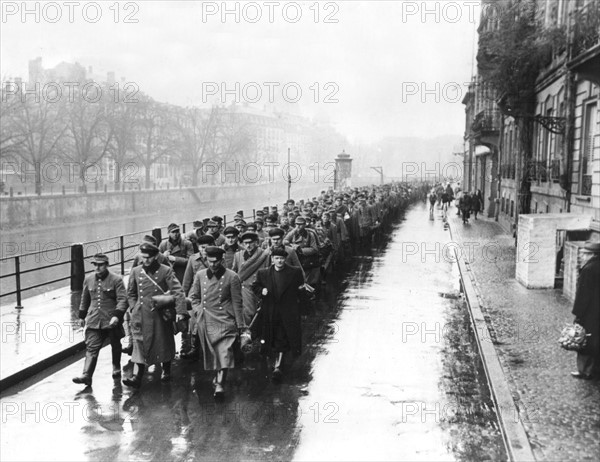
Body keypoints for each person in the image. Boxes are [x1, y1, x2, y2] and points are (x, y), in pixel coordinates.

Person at [123, 242, 187, 388]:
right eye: (143, 257)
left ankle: (166, 368)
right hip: (141, 315)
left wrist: (181, 311)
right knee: (139, 343)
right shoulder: (136, 271)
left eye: (148, 258)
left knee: (164, 341)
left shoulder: (166, 271)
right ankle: (136, 377)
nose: (145, 261)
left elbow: (178, 291)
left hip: (160, 313)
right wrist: (134, 307)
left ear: (156, 256)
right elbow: (131, 293)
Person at [189, 246, 246, 398]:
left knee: (224, 351)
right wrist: (198, 310)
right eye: (209, 261)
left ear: (221, 260)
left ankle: (220, 383)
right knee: (212, 353)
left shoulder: (232, 276)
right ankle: (218, 377)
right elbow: (194, 297)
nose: (213, 265)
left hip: (225, 319)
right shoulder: (200, 275)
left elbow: (237, 302)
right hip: (206, 318)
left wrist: (240, 325)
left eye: (216, 262)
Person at [252, 247, 306, 382]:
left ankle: (278, 366)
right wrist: (261, 290)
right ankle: (274, 360)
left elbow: (301, 290)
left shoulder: (294, 272)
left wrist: (304, 309)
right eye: (277, 258)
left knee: (282, 337)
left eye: (282, 258)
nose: (280, 261)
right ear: (272, 259)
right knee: (271, 335)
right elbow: (255, 286)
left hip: (288, 310)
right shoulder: (263, 273)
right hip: (270, 311)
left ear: (285, 259)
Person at [73, 254, 127, 386]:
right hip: (94, 319)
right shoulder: (89, 279)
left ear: (107, 265)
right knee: (91, 347)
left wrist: (116, 315)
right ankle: (86, 375)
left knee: (115, 344)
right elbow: (85, 299)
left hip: (111, 320)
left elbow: (122, 300)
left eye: (100, 265)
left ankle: (116, 366)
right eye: (95, 265)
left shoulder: (116, 280)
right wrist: (81, 316)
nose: (97, 267)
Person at [571, 241, 600, 379]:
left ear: (592, 255)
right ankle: (595, 369)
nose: (581, 256)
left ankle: (585, 371)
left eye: (584, 254)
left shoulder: (588, 270)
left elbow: (583, 295)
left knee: (585, 341)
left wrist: (578, 315)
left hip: (590, 314)